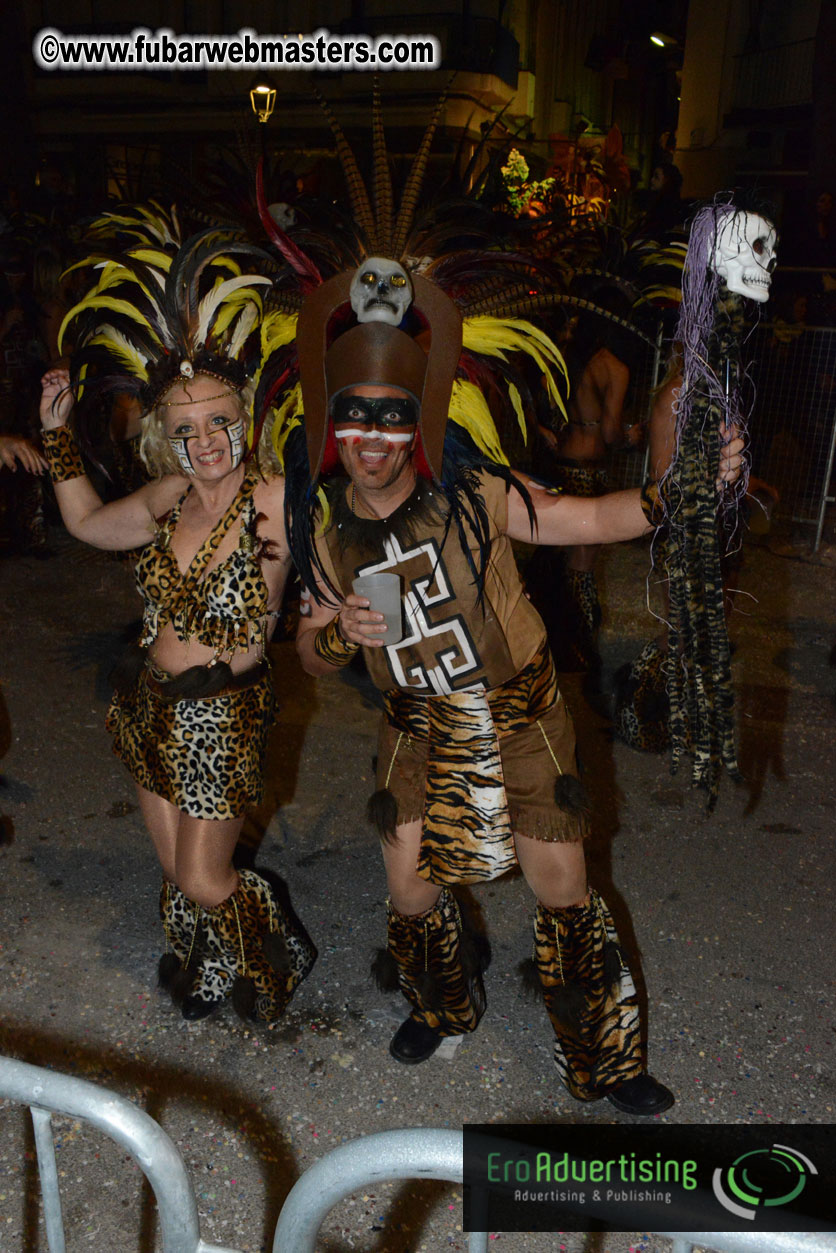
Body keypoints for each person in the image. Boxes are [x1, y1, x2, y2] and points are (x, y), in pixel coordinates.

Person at [291, 315, 744, 1117]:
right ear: (334, 427)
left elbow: (596, 519)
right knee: (410, 891)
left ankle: (606, 1054)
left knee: (563, 887)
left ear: (417, 425)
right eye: (354, 414)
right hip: (417, 728)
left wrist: (682, 489)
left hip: (520, 719)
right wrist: (337, 631)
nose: (371, 436)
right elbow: (308, 652)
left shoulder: (478, 494)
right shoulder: (327, 532)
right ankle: (441, 1005)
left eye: (391, 415)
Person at [38, 218, 316, 1024]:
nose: (207, 442)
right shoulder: (166, 497)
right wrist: (58, 439)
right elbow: (90, 523)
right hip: (146, 704)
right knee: (174, 868)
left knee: (205, 874)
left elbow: (340, 529)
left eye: (221, 420)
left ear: (247, 417)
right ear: (169, 435)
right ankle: (208, 957)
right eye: (186, 428)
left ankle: (275, 956)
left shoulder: (275, 495)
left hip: (222, 716)